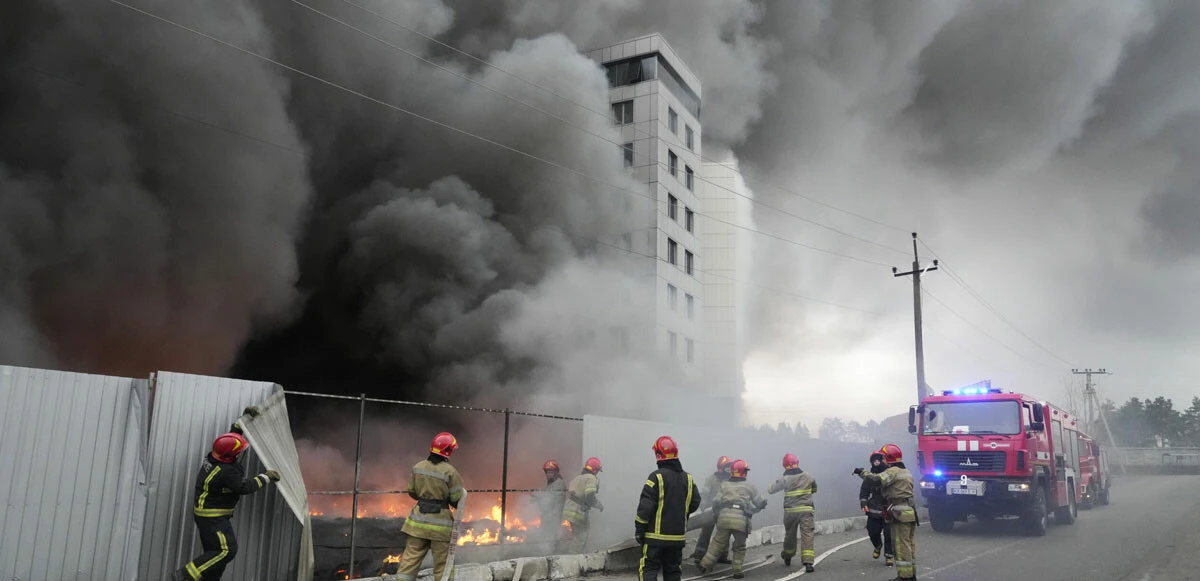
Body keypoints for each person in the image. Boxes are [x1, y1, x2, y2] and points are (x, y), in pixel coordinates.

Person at [172, 406, 280, 580]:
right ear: (230, 456)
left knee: (215, 556)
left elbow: (231, 439)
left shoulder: (215, 456)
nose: (241, 452)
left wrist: (242, 421)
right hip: (213, 517)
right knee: (227, 550)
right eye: (239, 451)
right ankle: (185, 575)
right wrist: (265, 477)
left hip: (206, 513)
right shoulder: (226, 472)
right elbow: (244, 487)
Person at [396, 432, 466, 581]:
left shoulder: (418, 467)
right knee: (442, 566)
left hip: (417, 523)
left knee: (409, 562)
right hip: (440, 528)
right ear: (448, 451)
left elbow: (412, 491)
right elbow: (456, 498)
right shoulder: (450, 472)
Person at [635, 436, 702, 581]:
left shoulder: (656, 477)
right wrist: (679, 512)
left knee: (648, 569)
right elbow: (695, 501)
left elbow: (645, 508)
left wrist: (640, 530)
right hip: (677, 538)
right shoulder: (688, 479)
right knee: (673, 572)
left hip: (654, 538)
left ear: (658, 455)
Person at [854, 443, 917, 581]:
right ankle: (910, 575)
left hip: (899, 514)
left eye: (883, 458)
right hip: (908, 512)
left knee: (901, 546)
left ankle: (905, 577)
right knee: (908, 544)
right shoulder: (905, 471)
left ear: (888, 458)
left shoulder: (893, 471)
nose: (882, 461)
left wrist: (862, 472)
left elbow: (876, 480)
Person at [699, 459, 767, 579]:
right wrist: (762, 504)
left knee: (717, 543)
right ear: (744, 472)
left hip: (724, 518)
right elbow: (759, 501)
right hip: (740, 520)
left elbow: (716, 501)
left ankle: (705, 565)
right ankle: (737, 571)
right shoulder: (749, 485)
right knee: (739, 546)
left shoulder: (724, 484)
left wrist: (717, 512)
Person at [768, 453, 817, 572]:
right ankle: (808, 562)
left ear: (785, 466)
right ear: (797, 463)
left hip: (790, 512)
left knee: (790, 535)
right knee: (807, 535)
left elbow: (770, 490)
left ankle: (787, 556)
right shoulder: (808, 476)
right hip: (806, 511)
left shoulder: (784, 479)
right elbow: (814, 489)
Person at [690, 456, 733, 565]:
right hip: (711, 511)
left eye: (730, 466)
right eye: (727, 466)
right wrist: (704, 504)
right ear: (721, 467)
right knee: (706, 531)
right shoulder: (711, 479)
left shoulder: (730, 480)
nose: (729, 469)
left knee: (724, 532)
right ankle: (699, 554)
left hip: (724, 511)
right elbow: (705, 493)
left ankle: (722, 556)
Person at [859, 449, 895, 567]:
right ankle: (878, 546)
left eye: (878, 459)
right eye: (874, 460)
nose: (876, 461)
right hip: (874, 509)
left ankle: (889, 556)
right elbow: (864, 491)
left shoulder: (889, 474)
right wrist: (864, 503)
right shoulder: (870, 476)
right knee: (872, 531)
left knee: (889, 533)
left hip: (888, 508)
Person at [563, 457, 604, 552]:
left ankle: (573, 556)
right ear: (594, 470)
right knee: (580, 538)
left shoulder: (578, 477)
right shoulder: (591, 478)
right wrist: (598, 505)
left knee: (577, 536)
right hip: (577, 511)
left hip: (569, 509)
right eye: (597, 470)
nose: (597, 473)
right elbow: (590, 495)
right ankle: (573, 560)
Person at [537, 460, 567, 545]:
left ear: (556, 472)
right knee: (547, 538)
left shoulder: (559, 484)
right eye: (547, 472)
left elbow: (554, 500)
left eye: (551, 472)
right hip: (548, 516)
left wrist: (540, 498)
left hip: (553, 517)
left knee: (552, 538)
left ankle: (554, 553)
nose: (548, 474)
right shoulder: (551, 484)